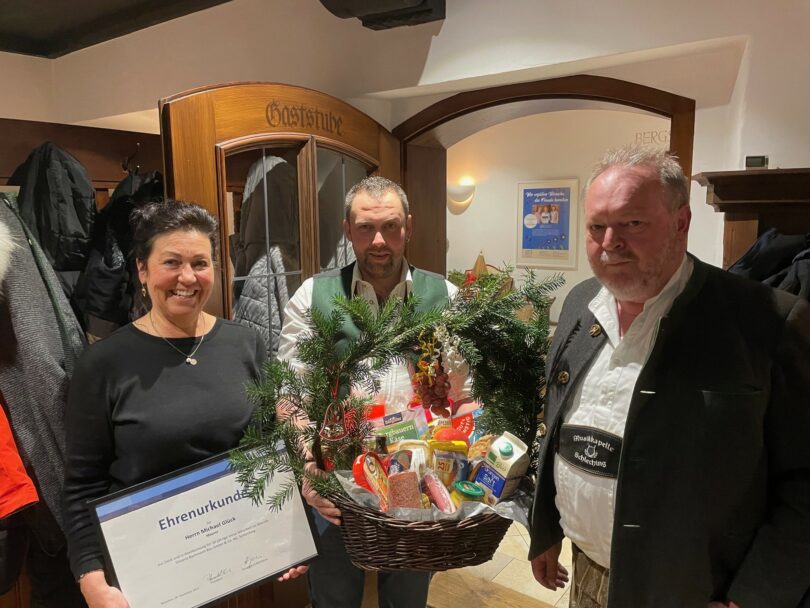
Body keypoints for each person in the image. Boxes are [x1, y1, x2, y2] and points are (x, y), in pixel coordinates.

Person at [528, 147, 810, 607]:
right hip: (587, 572)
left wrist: (754, 597)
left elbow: (803, 480)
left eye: (632, 223)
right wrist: (546, 528)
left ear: (681, 222)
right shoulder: (580, 303)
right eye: (596, 227)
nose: (610, 242)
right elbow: (557, 427)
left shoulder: (767, 321)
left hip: (695, 592)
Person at [63, 200, 307, 608]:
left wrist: (289, 531)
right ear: (142, 269)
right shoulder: (103, 364)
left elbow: (268, 451)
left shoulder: (245, 344)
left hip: (241, 567)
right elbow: (81, 487)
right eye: (171, 262)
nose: (188, 278)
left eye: (200, 263)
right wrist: (91, 580)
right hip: (150, 580)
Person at [276, 176, 467, 608]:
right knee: (332, 598)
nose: (379, 241)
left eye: (390, 226)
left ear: (408, 227)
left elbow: (465, 395)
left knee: (408, 600)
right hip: (336, 484)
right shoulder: (313, 295)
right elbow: (291, 394)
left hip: (417, 482)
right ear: (347, 229)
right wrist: (309, 469)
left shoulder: (445, 296)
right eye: (365, 228)